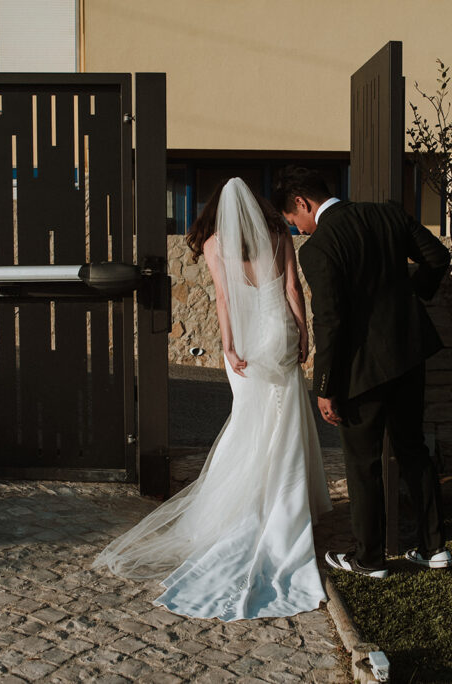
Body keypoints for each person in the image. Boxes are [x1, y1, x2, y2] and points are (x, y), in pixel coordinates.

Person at [93, 178, 332, 620]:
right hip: (278, 329)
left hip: (245, 337)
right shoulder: (279, 233)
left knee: (248, 419)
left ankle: (244, 505)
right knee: (285, 415)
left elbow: (223, 297)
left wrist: (228, 345)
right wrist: (304, 335)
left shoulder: (215, 243)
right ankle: (286, 504)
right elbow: (293, 291)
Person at [272, 166, 452, 579]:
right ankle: (435, 548)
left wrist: (324, 386)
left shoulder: (318, 248)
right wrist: (413, 294)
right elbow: (438, 258)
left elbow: (330, 321)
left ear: (302, 203)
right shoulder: (388, 214)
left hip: (360, 369)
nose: (297, 229)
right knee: (414, 449)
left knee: (363, 463)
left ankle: (370, 560)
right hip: (409, 353)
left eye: (293, 220)